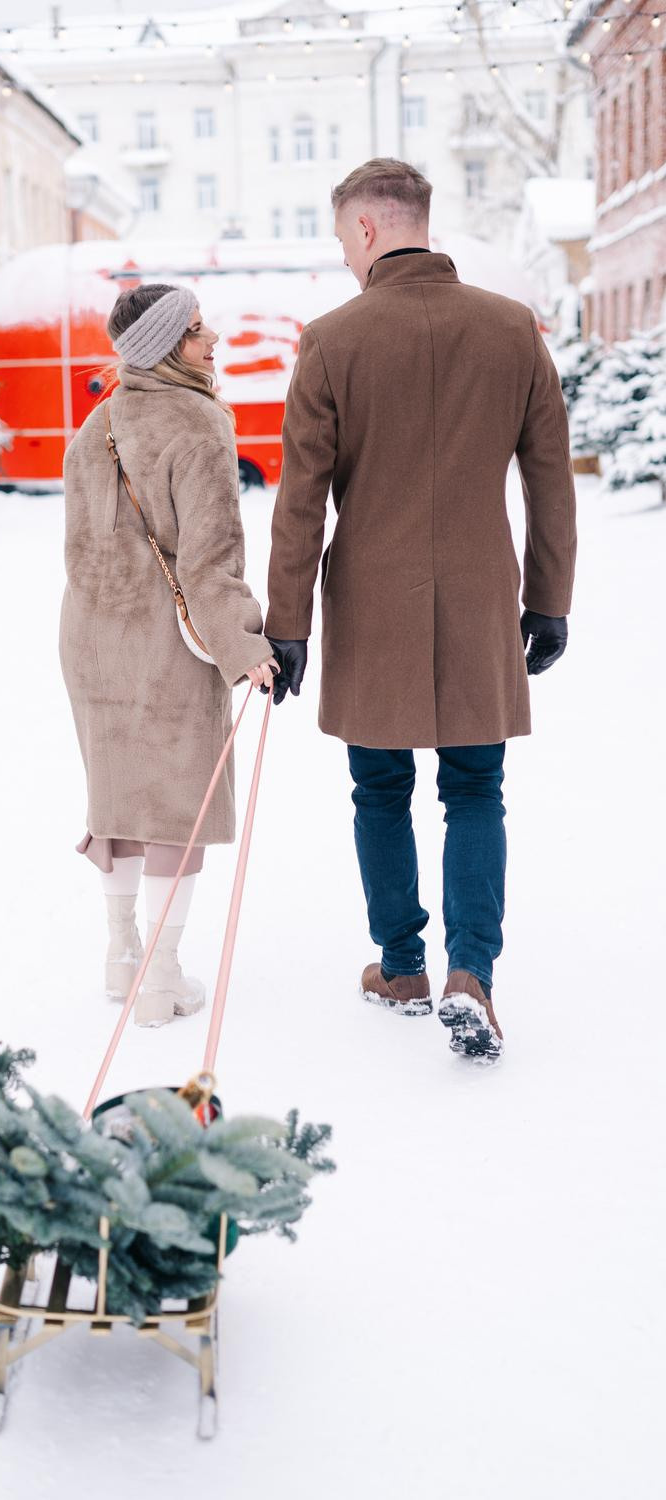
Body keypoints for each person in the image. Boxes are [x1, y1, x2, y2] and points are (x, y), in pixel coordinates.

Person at [264, 159, 577, 1062]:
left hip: (371, 600)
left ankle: (402, 963)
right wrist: (549, 599)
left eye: (340, 239)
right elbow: (549, 479)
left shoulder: (331, 340)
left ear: (364, 229)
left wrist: (289, 625)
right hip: (483, 596)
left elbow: (300, 499)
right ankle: (471, 972)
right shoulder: (513, 329)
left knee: (381, 788)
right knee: (477, 787)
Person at [60, 283, 278, 1028]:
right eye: (193, 330)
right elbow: (209, 562)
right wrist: (245, 646)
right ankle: (162, 978)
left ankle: (123, 960)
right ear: (161, 346)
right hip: (163, 645)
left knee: (120, 800)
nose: (210, 337)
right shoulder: (198, 423)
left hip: (90, 637)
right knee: (175, 810)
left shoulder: (96, 425)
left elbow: (82, 548)